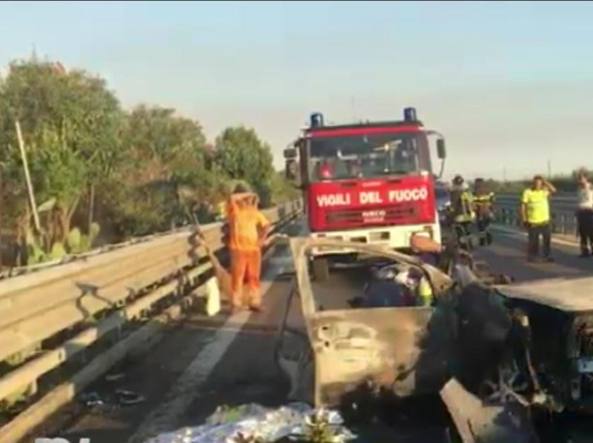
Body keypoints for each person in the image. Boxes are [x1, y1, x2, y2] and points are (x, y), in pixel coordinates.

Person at [226, 184, 271, 313]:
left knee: (254, 277)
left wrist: (261, 239)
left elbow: (266, 225)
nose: (248, 201)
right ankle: (236, 303)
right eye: (246, 198)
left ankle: (255, 302)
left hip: (253, 250)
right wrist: (249, 194)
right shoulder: (234, 210)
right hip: (237, 249)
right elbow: (232, 197)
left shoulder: (254, 212)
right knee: (237, 277)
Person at [521, 175, 556, 262]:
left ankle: (546, 256)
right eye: (536, 183)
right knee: (533, 241)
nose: (538, 185)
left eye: (539, 183)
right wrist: (524, 219)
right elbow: (523, 206)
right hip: (533, 221)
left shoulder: (544, 191)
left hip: (545, 220)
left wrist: (545, 181)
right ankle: (532, 256)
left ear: (542, 184)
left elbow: (554, 190)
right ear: (533, 183)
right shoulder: (528, 192)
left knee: (547, 240)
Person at [449, 175, 475, 249]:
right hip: (468, 215)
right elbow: (472, 201)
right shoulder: (467, 191)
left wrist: (450, 213)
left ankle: (462, 243)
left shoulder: (453, 193)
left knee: (458, 229)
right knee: (467, 229)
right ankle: (470, 242)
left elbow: (452, 206)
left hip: (458, 216)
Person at [473, 178, 495, 246]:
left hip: (479, 212)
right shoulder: (489, 191)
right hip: (488, 210)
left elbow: (473, 203)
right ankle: (488, 236)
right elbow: (493, 201)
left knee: (481, 227)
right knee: (487, 225)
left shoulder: (475, 192)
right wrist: (493, 210)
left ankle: (482, 241)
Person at [576, 171, 593, 257]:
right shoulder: (579, 189)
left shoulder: (590, 187)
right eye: (579, 178)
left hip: (590, 211)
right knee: (582, 233)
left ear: (586, 178)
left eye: (582, 178)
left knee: (591, 232)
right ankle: (584, 251)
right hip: (581, 212)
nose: (580, 180)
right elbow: (579, 201)